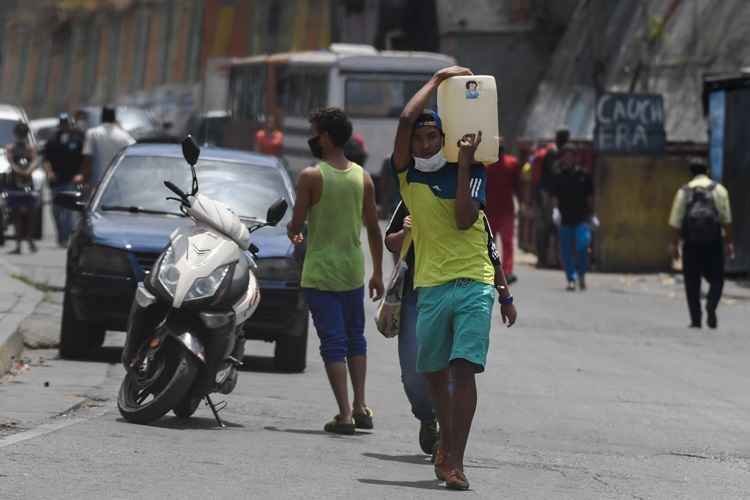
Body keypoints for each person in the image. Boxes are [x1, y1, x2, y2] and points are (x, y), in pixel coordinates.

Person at [392, 66, 517, 490]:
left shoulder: (473, 167)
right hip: (430, 285)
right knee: (431, 373)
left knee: (463, 370)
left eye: (433, 137)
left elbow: (467, 221)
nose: (426, 143)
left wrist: (462, 163)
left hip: (473, 282)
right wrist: (435, 82)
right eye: (420, 139)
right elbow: (406, 119)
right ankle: (445, 440)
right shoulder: (408, 176)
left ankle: (456, 461)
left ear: (443, 140)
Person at [287, 107, 384, 435]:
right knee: (356, 338)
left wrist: (294, 230)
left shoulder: (311, 177)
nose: (312, 139)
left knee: (332, 342)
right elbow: (373, 230)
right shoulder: (363, 177)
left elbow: (296, 225)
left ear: (326, 138)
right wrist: (378, 273)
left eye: (315, 133)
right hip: (353, 271)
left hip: (321, 272)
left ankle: (343, 415)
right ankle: (360, 404)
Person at [385, 199, 505, 457]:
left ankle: (449, 447)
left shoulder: (471, 201)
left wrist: (505, 296)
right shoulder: (412, 196)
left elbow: (489, 250)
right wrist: (406, 232)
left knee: (458, 370)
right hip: (418, 295)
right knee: (415, 374)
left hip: (463, 291)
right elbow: (390, 242)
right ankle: (428, 418)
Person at [668, 161, 734, 329]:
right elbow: (726, 220)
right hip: (714, 243)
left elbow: (675, 222)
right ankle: (711, 304)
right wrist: (729, 243)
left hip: (691, 244)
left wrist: (675, 246)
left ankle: (696, 320)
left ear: (690, 173)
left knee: (692, 282)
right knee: (717, 279)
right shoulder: (719, 190)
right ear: (708, 171)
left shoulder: (684, 191)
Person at [550, 144, 593, 291]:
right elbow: (554, 196)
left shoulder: (584, 175)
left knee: (583, 246)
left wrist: (593, 215)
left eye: (571, 156)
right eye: (565, 156)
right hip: (565, 219)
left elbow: (590, 197)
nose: (568, 159)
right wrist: (555, 211)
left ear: (575, 158)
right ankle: (571, 279)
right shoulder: (558, 176)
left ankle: (582, 274)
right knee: (566, 251)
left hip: (582, 218)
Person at [42, 113, 85, 247]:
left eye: (66, 124)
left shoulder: (78, 139)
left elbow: (84, 159)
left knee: (67, 210)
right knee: (55, 211)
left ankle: (65, 237)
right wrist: (49, 172)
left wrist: (81, 175)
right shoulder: (52, 140)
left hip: (70, 180)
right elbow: (46, 159)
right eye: (62, 124)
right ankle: (60, 234)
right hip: (55, 181)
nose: (64, 126)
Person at [485, 138, 521, 283]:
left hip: (504, 210)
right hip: (491, 210)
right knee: (491, 242)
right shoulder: (486, 165)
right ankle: (496, 270)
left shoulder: (511, 164)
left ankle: (506, 271)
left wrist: (523, 202)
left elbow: (517, 185)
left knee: (506, 242)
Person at [535, 129, 569, 267]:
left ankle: (549, 258)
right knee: (547, 227)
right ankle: (544, 259)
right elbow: (554, 173)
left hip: (549, 193)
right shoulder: (554, 153)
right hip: (547, 194)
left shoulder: (554, 152)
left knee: (549, 227)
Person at [5, 121, 39, 254]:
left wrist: (28, 170)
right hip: (15, 184)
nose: (21, 136)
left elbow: (35, 160)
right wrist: (19, 171)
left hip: (28, 184)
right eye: (19, 134)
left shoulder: (30, 148)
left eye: (23, 134)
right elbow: (10, 161)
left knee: (31, 213)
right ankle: (18, 243)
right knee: (16, 214)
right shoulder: (11, 148)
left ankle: (30, 238)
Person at [82, 106, 135, 191]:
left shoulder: (92, 133)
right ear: (114, 118)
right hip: (119, 185)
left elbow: (88, 159)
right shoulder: (124, 136)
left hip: (97, 185)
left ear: (102, 117)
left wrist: (84, 180)